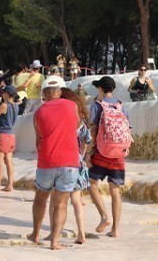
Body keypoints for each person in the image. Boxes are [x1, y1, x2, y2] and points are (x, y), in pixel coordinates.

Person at [28, 76, 80, 250]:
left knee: (40, 198)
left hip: (46, 161)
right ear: (61, 90)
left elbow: (38, 141)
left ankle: (35, 234)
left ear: (43, 93)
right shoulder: (73, 106)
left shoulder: (38, 113)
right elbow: (76, 126)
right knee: (61, 203)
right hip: (69, 162)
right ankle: (55, 242)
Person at [44, 88, 92, 244]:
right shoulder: (81, 119)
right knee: (77, 201)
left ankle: (53, 234)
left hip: (61, 160)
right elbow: (86, 142)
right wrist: (82, 157)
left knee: (55, 200)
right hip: (77, 161)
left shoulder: (62, 117)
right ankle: (81, 234)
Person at [85, 76, 130, 238]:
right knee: (115, 190)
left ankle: (104, 216)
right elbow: (128, 129)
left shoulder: (97, 105)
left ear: (101, 89)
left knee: (91, 183)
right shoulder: (121, 106)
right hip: (119, 153)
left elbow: (93, 130)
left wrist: (88, 152)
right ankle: (116, 230)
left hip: (102, 152)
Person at [0, 85, 19, 192]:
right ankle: (10, 185)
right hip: (11, 135)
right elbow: (3, 115)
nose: (2, 94)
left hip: (3, 134)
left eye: (3, 92)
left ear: (6, 93)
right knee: (9, 161)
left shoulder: (4, 105)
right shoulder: (16, 106)